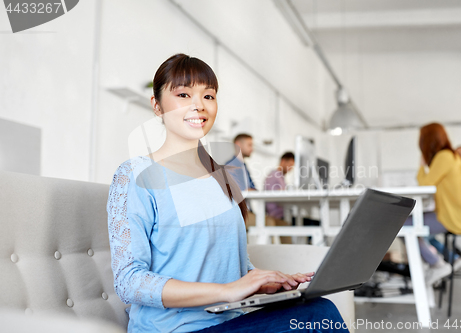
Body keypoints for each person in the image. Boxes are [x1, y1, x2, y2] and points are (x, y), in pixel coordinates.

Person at [107, 54, 347, 333]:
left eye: (208, 96)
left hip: (229, 321)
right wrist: (227, 290)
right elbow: (129, 282)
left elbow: (228, 263)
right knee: (318, 316)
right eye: (184, 94)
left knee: (316, 309)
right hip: (175, 329)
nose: (198, 106)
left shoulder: (218, 176)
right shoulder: (135, 175)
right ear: (157, 106)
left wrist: (260, 280)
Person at [406, 123, 461, 286]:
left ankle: (436, 264)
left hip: (454, 217)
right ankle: (434, 262)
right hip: (460, 215)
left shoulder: (444, 156)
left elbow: (424, 184)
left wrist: (421, 165)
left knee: (400, 225)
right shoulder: (451, 157)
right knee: (409, 226)